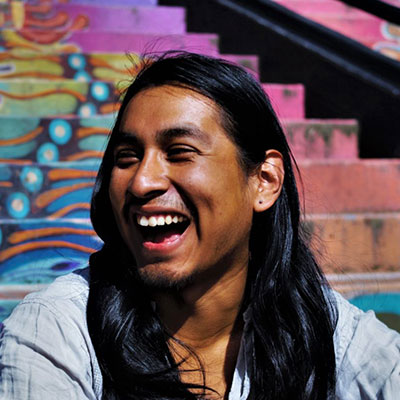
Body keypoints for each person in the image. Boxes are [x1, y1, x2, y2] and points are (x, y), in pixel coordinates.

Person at [0, 52, 399, 400]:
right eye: (126, 156)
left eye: (180, 152)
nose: (142, 181)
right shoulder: (57, 330)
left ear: (264, 181)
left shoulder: (325, 332)